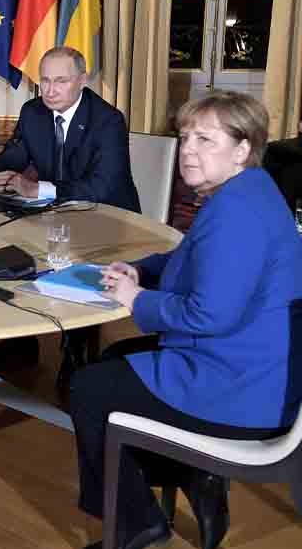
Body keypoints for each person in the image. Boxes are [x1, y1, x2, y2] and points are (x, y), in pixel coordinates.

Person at [70, 91, 302, 549]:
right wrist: (144, 270)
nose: (188, 150)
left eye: (205, 139)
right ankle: (192, 472)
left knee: (88, 390)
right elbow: (196, 258)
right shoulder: (250, 190)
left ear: (242, 149)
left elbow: (207, 314)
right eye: (185, 137)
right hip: (257, 365)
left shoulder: (236, 213)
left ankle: (138, 527)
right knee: (114, 360)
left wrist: (137, 298)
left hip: (242, 387)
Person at [0, 46, 140, 213]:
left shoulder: (108, 121)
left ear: (82, 81)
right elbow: (11, 158)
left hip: (108, 215)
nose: (50, 91)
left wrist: (38, 189)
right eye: (45, 80)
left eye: (61, 81)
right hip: (53, 214)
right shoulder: (33, 112)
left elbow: (102, 188)